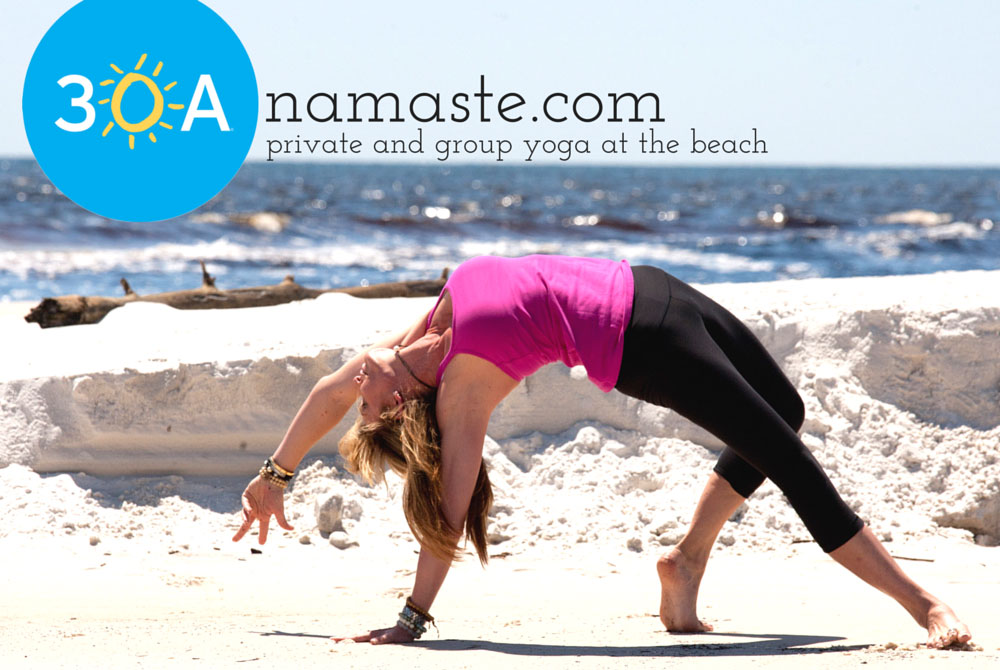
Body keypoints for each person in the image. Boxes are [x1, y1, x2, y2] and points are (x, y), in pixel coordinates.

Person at [232, 254, 971, 648]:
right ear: (399, 409)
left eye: (361, 386)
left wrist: (276, 476)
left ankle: (685, 564)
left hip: (654, 286)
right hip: (648, 347)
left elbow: (331, 393)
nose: (359, 380)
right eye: (368, 402)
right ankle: (922, 604)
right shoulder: (461, 392)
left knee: (786, 410)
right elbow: (447, 513)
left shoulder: (415, 333)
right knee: (796, 467)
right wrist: (412, 619)